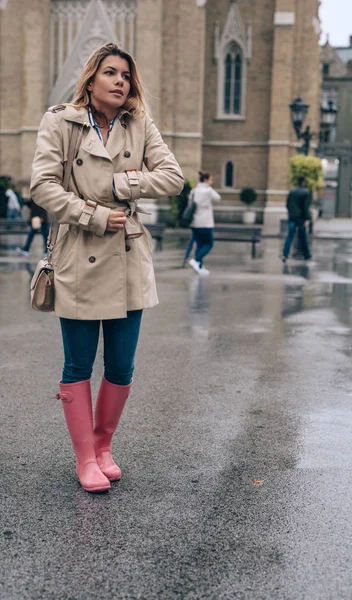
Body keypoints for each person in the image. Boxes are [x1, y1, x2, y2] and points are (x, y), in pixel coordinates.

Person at [30, 43, 184, 493]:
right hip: (79, 251)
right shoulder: (60, 120)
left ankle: (103, 447)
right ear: (91, 78)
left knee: (121, 365)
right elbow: (42, 185)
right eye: (111, 73)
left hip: (128, 257)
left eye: (127, 76)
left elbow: (172, 176)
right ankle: (84, 459)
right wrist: (94, 215)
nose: (121, 82)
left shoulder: (140, 124)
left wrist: (122, 183)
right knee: (78, 362)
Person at [188, 171, 221, 276]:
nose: (212, 182)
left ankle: (200, 267)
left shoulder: (194, 191)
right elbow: (218, 198)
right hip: (206, 223)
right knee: (209, 244)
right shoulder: (208, 190)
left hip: (194, 222)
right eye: (211, 180)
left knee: (199, 245)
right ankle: (196, 260)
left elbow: (190, 202)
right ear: (206, 180)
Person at [281, 175, 312, 262]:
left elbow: (287, 205)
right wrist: (307, 218)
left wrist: (291, 213)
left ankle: (285, 254)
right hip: (301, 218)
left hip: (292, 217)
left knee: (290, 236)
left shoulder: (292, 192)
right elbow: (305, 207)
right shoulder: (305, 192)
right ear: (303, 182)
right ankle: (307, 255)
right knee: (303, 237)